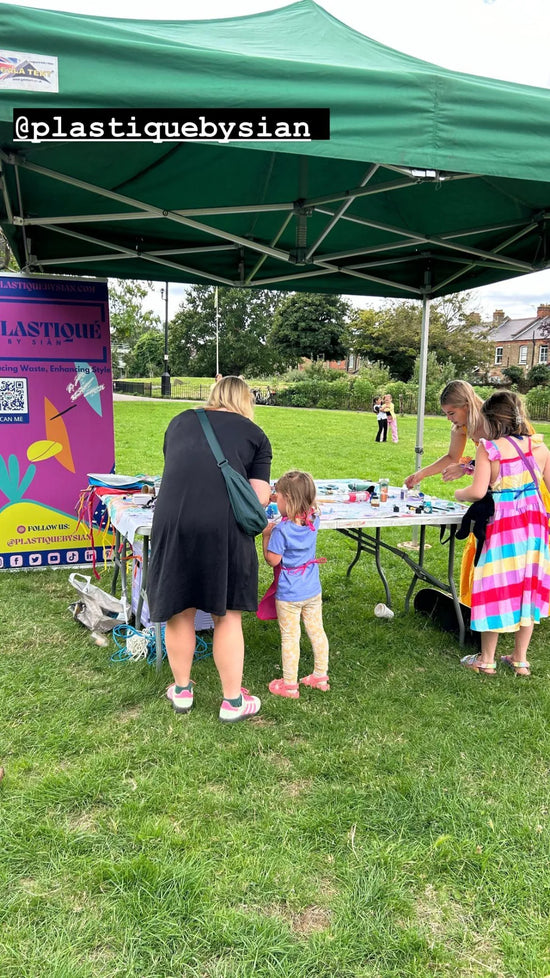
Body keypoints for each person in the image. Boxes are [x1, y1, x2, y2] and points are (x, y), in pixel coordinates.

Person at [147, 376, 272, 722]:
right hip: (225, 527)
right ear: (246, 401)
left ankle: (182, 691)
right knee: (227, 614)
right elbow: (258, 499)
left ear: (214, 396)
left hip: (174, 522)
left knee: (180, 610)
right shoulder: (255, 435)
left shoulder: (179, 423)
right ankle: (232, 702)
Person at [456, 391, 550, 677]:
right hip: (535, 525)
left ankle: (487, 659)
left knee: (496, 585)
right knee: (527, 587)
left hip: (504, 526)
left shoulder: (489, 449)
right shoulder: (540, 446)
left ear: (491, 420)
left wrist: (459, 492)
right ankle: (520, 660)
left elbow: (477, 492)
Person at [261, 470, 329, 699]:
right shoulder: (314, 520)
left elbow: (273, 560)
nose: (275, 499)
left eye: (277, 496)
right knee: (316, 631)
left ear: (287, 500)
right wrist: (277, 496)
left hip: (289, 593)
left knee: (290, 637)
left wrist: (265, 537)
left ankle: (289, 685)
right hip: (312, 589)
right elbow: (300, 504)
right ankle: (320, 676)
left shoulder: (281, 530)